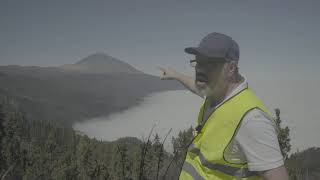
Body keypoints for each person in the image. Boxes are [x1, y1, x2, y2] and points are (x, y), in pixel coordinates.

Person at [158, 32, 289, 180]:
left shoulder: (252, 119)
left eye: (208, 64)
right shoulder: (215, 92)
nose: (199, 69)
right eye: (198, 62)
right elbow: (196, 86)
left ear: (231, 68)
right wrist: (175, 75)